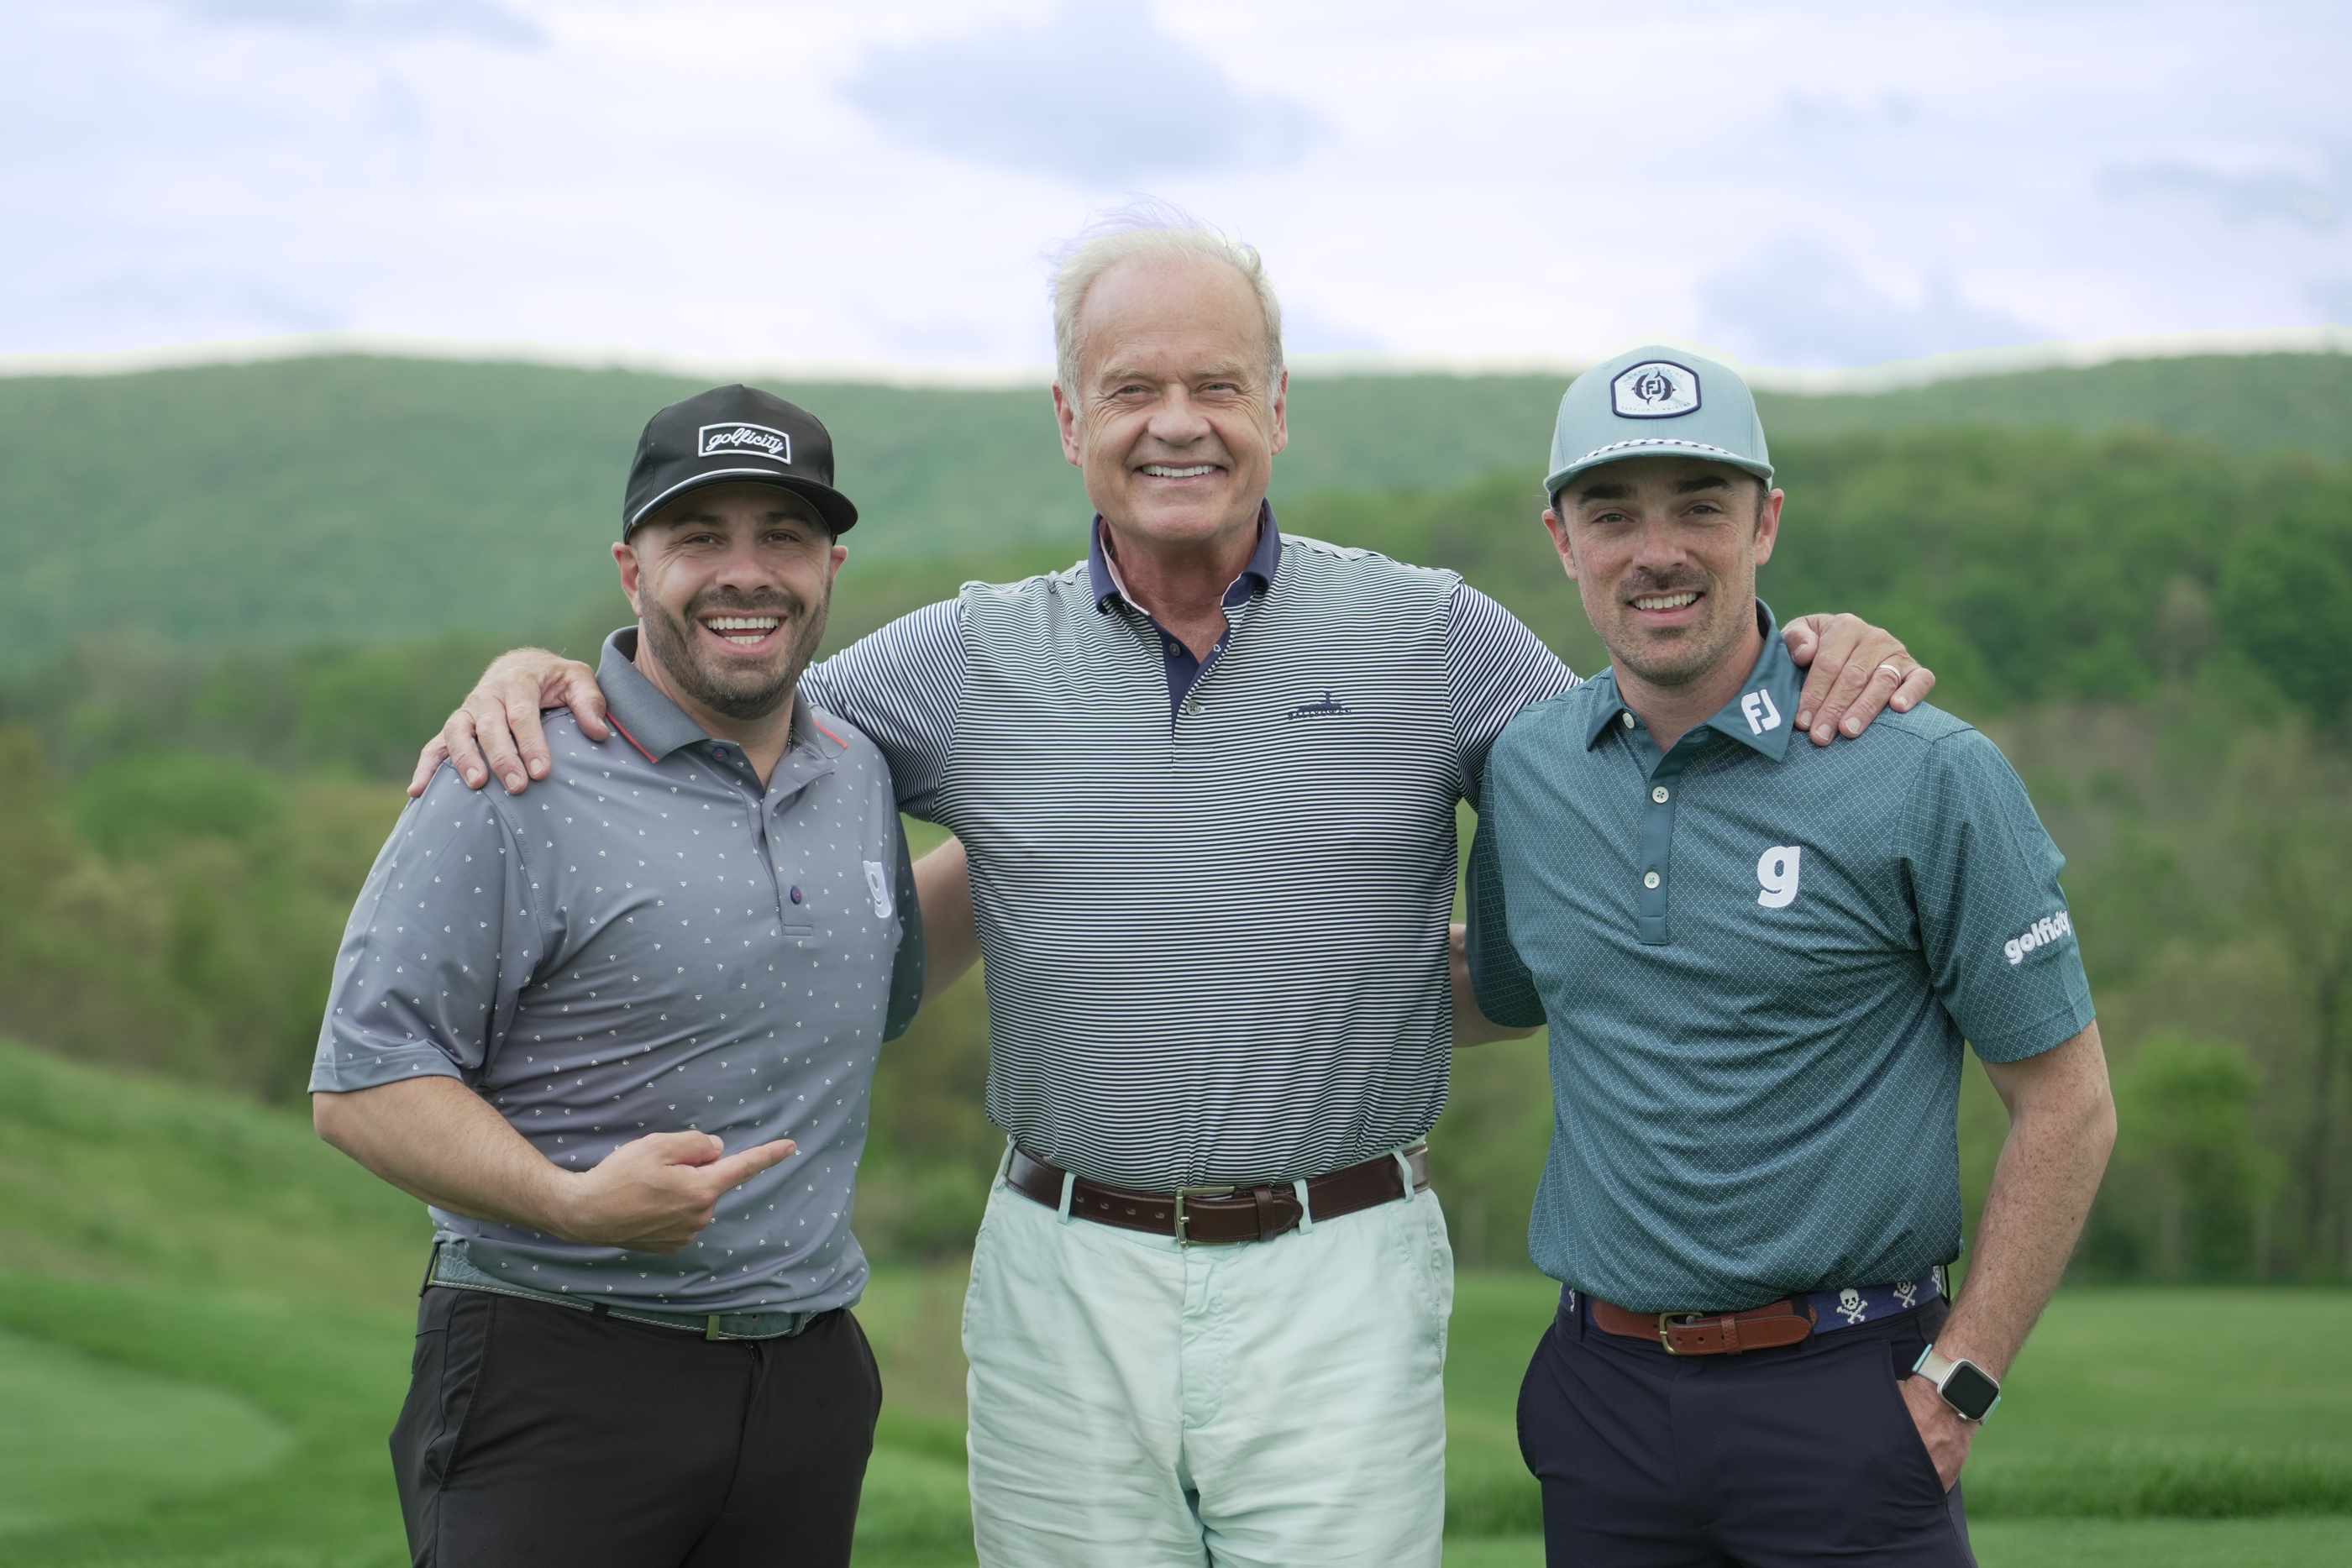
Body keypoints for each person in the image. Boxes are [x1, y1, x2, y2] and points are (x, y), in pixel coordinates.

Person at [414, 214, 1933, 1568]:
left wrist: (1811, 644)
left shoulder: (1433, 634)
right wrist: (548, 672)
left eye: (1216, 384)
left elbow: (1644, 742)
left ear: (1276, 408)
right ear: (1071, 419)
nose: (1176, 424)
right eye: (1133, 389)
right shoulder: (965, 655)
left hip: (1341, 1269)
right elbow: (734, 699)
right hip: (1064, 1271)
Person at [1467, 346, 2117, 1567]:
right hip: (1600, 1402)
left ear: (1765, 522)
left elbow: (2068, 1104)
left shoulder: (1924, 769)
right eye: (1613, 513)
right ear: (1562, 539)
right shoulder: (1527, 768)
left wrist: (1958, 1383)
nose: (1657, 550)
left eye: (1700, 506)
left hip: (1849, 1392)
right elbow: (1500, 990)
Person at [309, 384, 926, 1568]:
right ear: (631, 565)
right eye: (699, 535)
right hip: (558, 1369)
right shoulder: (511, 772)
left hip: (808, 1383)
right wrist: (572, 1200)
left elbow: (886, 981)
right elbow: (364, 1082)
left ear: (832, 564)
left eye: (783, 535)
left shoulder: (854, 772)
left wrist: (1047, 861)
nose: (746, 571)